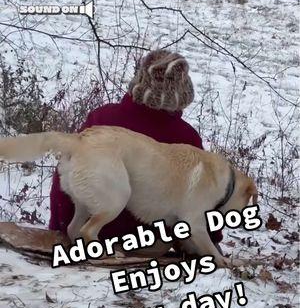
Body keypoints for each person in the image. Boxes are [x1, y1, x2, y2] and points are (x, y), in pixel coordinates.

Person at [49, 49, 222, 247]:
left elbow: (66, 177)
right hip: (148, 245)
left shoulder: (102, 119)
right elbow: (201, 200)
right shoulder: (186, 138)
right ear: (180, 95)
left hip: (94, 237)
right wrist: (213, 240)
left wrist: (59, 227)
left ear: (138, 81)